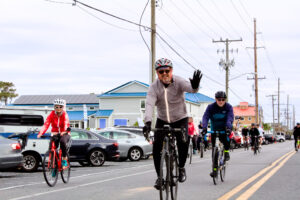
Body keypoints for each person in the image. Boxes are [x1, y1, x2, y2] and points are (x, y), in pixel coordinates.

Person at [143, 58, 202, 190]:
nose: (164, 74)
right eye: (161, 71)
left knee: (183, 142)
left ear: (171, 71)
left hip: (180, 118)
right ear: (157, 73)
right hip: (162, 119)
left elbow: (191, 89)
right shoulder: (154, 87)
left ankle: (181, 167)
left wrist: (195, 86)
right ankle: (160, 177)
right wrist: (147, 122)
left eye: (167, 71)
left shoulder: (179, 81)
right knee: (156, 148)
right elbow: (149, 104)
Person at [201, 91, 234, 177]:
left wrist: (228, 127)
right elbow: (205, 117)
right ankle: (214, 170)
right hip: (214, 129)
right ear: (216, 99)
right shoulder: (210, 107)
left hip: (225, 127)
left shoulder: (228, 107)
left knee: (226, 139)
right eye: (219, 99)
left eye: (223, 99)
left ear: (225, 100)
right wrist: (204, 127)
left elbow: (230, 117)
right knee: (214, 150)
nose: (221, 101)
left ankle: (226, 151)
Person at [37, 98, 71, 169]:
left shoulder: (65, 114)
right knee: (52, 147)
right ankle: (54, 164)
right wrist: (41, 133)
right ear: (54, 107)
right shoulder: (52, 114)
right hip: (55, 133)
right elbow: (46, 124)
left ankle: (64, 159)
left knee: (62, 142)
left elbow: (65, 123)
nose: (58, 108)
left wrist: (64, 131)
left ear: (63, 107)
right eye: (56, 107)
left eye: (60, 107)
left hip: (65, 133)